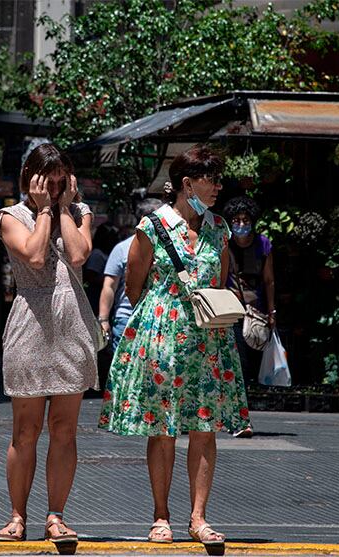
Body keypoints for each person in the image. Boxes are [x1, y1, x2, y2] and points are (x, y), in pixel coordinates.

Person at [99, 145, 249, 548]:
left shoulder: (219, 227)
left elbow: (219, 280)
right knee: (163, 429)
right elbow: (134, 285)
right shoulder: (153, 226)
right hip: (163, 337)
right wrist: (165, 310)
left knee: (205, 428)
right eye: (211, 179)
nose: (219, 186)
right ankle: (161, 515)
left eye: (219, 179)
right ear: (187, 183)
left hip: (207, 339)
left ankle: (198, 518)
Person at [0, 143, 99, 546]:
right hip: (30, 323)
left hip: (72, 323)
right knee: (26, 429)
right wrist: (42, 212)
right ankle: (17, 516)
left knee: (65, 429)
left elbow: (78, 255)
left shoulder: (79, 212)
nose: (54, 190)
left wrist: (66, 210)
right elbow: (35, 257)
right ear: (31, 179)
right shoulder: (9, 216)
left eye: (60, 182)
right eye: (47, 183)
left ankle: (56, 515)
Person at [223, 195, 276, 438]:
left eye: (245, 220)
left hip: (256, 312)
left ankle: (234, 415)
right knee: (239, 365)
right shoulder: (225, 244)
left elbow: (269, 280)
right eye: (236, 219)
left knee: (249, 367)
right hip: (231, 311)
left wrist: (272, 311)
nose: (241, 224)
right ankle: (240, 419)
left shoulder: (263, 244)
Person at [98, 198, 164, 352]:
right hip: (127, 318)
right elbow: (109, 286)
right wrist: (103, 319)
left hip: (159, 318)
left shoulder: (167, 248)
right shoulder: (122, 249)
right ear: (144, 220)